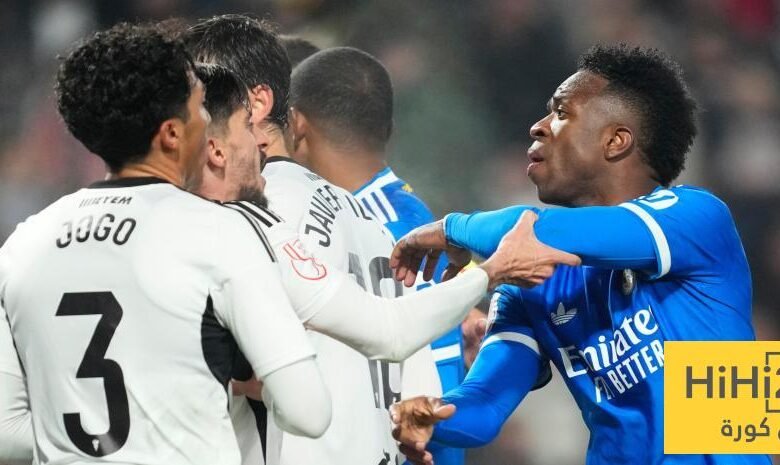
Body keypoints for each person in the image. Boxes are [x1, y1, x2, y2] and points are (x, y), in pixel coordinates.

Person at [183, 15, 579, 465]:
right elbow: (422, 375)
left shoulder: (369, 228)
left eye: (204, 108)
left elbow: (430, 393)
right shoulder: (365, 214)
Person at [388, 44, 771, 465]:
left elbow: (533, 227)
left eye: (561, 112)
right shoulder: (533, 279)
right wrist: (432, 416)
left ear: (615, 141)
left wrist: (450, 228)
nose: (538, 127)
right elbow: (485, 406)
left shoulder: (698, 218)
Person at [0, 23, 333, 465]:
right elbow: (309, 412)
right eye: (200, 108)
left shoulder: (22, 245)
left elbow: (5, 434)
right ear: (173, 134)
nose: (208, 122)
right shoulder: (218, 232)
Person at [287, 46, 475, 465]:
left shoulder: (405, 236)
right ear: (388, 128)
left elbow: (437, 393)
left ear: (295, 123)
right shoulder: (396, 216)